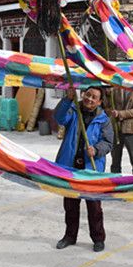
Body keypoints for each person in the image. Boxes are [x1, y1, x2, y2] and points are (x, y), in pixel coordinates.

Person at [54, 86, 114, 252]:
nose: (90, 99)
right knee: (70, 205)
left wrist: (96, 149)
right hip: (70, 165)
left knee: (94, 206)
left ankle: (98, 239)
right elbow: (59, 118)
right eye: (88, 95)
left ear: (99, 102)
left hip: (91, 169)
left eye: (94, 97)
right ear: (83, 94)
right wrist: (67, 99)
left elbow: (108, 142)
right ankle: (70, 236)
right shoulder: (74, 110)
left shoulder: (103, 119)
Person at [109, 87, 133, 174]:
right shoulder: (116, 88)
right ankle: (115, 180)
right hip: (116, 128)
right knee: (115, 160)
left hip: (132, 130)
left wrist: (120, 113)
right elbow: (108, 104)